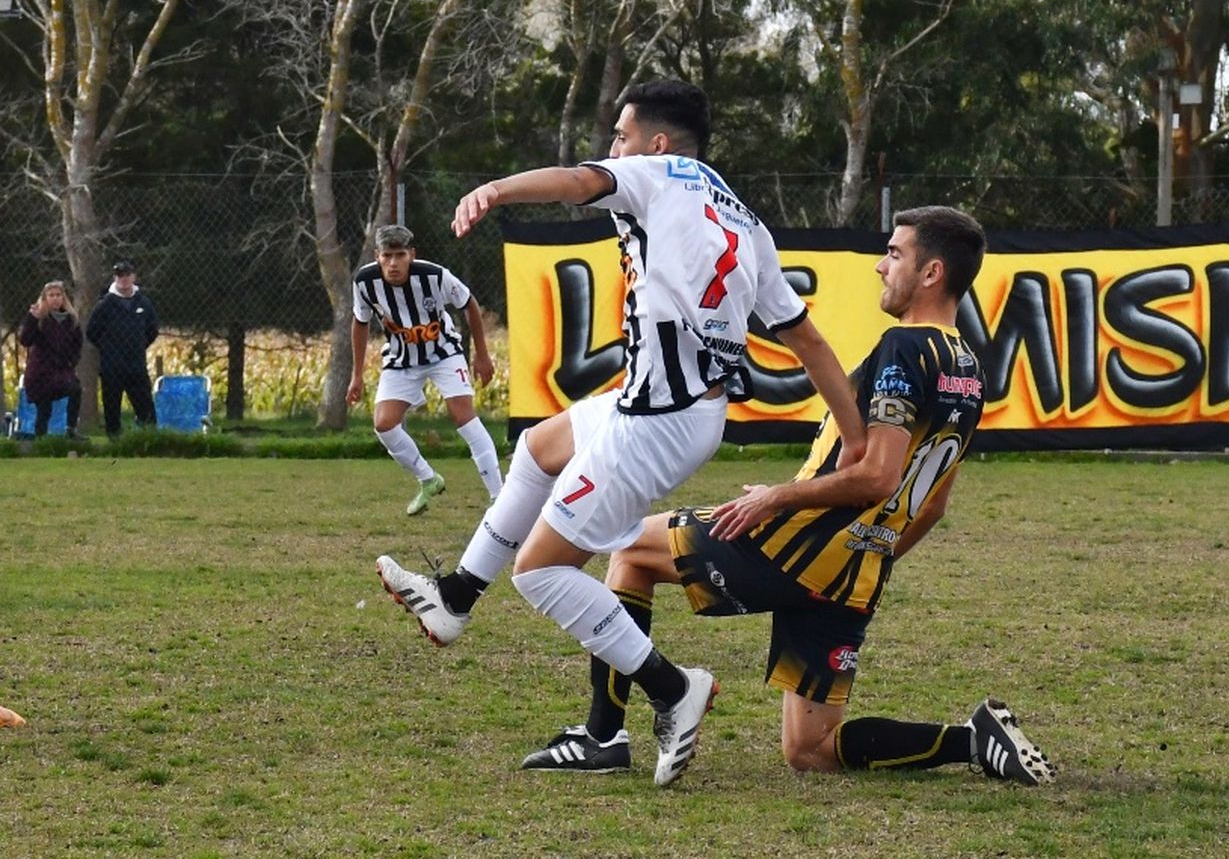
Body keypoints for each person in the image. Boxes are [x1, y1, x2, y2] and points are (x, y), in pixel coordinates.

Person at [376, 79, 866, 786]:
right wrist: (851, 443)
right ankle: (456, 597)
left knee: (542, 571)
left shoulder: (657, 174)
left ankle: (674, 689)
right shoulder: (745, 219)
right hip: (683, 410)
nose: (613, 149)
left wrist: (494, 189)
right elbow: (810, 342)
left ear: (656, 144)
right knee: (540, 445)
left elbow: (577, 181)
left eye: (621, 136)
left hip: (657, 421)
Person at [518, 206, 1055, 785]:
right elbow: (935, 502)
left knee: (628, 549)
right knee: (811, 749)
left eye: (895, 254)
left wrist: (776, 499)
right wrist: (868, 555)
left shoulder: (905, 348)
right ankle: (974, 741)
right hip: (854, 570)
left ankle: (604, 736)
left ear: (931, 273)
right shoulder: (969, 370)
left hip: (795, 544)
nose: (881, 266)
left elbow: (877, 475)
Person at [347, 224, 501, 515]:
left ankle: (499, 496)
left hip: (444, 352)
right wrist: (356, 375)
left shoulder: (434, 276)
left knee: (462, 414)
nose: (393, 263)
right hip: (400, 357)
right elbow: (360, 322)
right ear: (377, 255)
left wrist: (482, 354)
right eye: (387, 256)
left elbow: (469, 304)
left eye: (400, 255)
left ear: (412, 255)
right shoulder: (364, 282)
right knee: (384, 423)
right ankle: (429, 479)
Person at [85, 261, 158, 438]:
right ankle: (115, 442)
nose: (124, 279)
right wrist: (109, 348)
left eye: (127, 275)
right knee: (112, 408)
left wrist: (139, 345)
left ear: (133, 277)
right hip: (112, 367)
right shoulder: (105, 304)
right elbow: (92, 332)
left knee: (145, 408)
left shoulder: (144, 303)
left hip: (136, 365)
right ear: (115, 278)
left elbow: (152, 330)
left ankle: (148, 440)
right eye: (120, 276)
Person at [18, 280, 83, 439]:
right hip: (40, 372)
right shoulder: (39, 319)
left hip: (62, 370)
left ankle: (71, 429)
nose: (55, 298)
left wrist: (70, 364)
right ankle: (41, 440)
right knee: (44, 408)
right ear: (45, 298)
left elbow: (77, 345)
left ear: (63, 298)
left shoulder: (71, 320)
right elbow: (25, 340)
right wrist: (32, 319)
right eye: (51, 295)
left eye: (58, 295)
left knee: (75, 389)